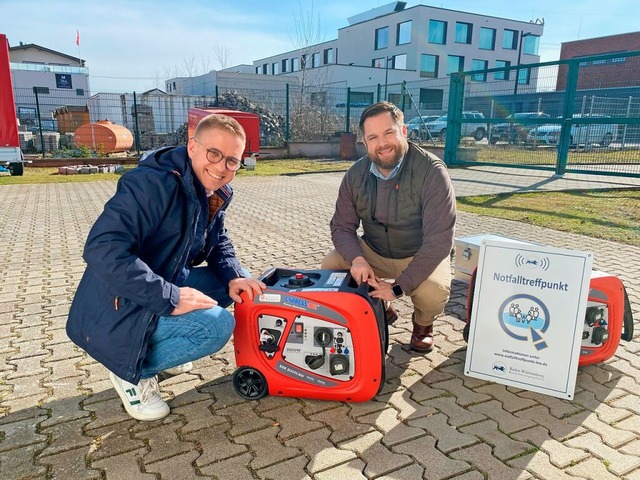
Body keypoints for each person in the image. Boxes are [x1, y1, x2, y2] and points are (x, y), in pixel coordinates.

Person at [67, 114, 265, 421]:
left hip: (158, 283)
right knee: (216, 327)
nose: (221, 167)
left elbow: (217, 240)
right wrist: (169, 298)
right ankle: (133, 371)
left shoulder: (213, 191)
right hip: (118, 303)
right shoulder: (151, 184)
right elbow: (102, 248)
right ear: (192, 147)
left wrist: (234, 276)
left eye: (232, 161)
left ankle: (161, 348)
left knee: (237, 284)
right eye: (214, 154)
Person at [321, 101, 456, 353]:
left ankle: (422, 326)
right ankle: (380, 307)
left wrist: (397, 287)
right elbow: (341, 226)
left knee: (433, 292)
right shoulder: (354, 175)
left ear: (403, 131)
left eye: (388, 133)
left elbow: (439, 241)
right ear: (365, 142)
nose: (382, 143)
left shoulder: (432, 171)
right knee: (330, 266)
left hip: (419, 253)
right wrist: (357, 259)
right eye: (373, 137)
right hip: (374, 250)